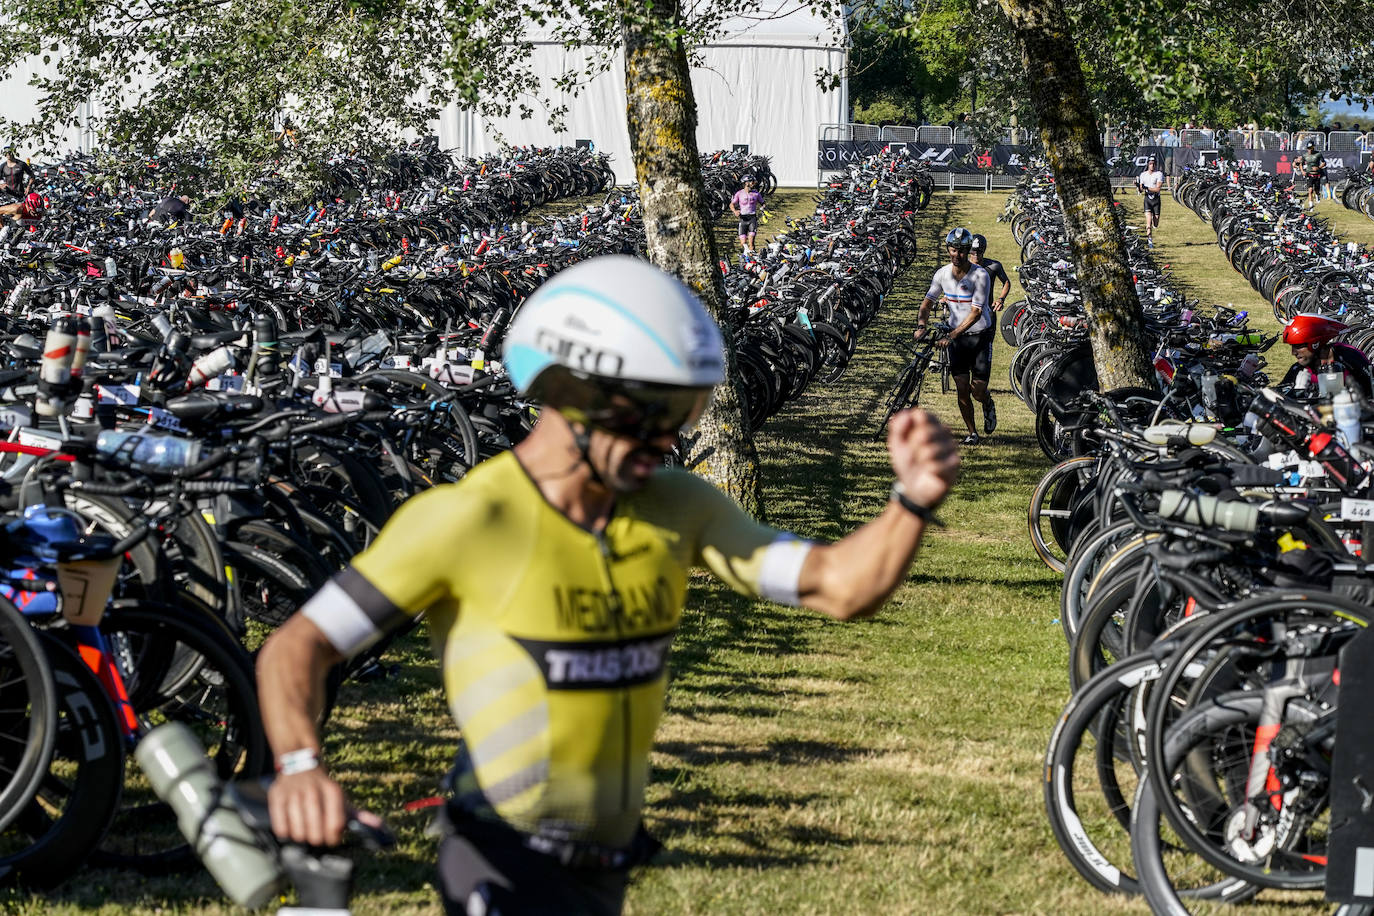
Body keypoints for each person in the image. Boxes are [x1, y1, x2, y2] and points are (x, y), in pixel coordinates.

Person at [256, 255, 961, 916]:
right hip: (498, 854)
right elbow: (299, 646)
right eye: (651, 415)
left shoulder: (679, 506)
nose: (669, 440)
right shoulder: (470, 519)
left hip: (604, 865)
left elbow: (837, 586)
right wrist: (298, 766)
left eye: (682, 415)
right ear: (573, 393)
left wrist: (913, 501)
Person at [913, 227, 997, 445]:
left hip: (979, 336)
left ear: (968, 251)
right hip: (957, 340)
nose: (956, 255)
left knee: (977, 390)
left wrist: (951, 335)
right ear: (948, 250)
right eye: (953, 250)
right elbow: (927, 302)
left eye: (961, 251)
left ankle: (987, 402)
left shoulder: (980, 275)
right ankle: (972, 433)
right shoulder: (942, 274)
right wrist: (921, 325)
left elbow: (976, 313)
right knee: (961, 389)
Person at [1280, 313, 1374, 399]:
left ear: (1315, 343)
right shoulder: (1298, 369)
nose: (1293, 352)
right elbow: (1279, 394)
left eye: (1298, 346)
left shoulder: (1347, 356)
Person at [969, 234, 1010, 312]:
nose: (976, 255)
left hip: (987, 310)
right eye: (973, 251)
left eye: (979, 252)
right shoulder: (962, 266)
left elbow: (1006, 282)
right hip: (967, 311)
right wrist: (946, 297)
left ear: (984, 250)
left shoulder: (994, 266)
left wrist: (1001, 299)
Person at [1135, 154, 1166, 247]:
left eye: (1154, 164)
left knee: (1155, 223)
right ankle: (1150, 241)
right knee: (1148, 221)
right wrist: (1137, 186)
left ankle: (1153, 225)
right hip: (1147, 200)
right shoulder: (1143, 175)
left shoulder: (1159, 174)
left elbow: (1157, 189)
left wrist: (1146, 187)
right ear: (1148, 164)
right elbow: (1141, 190)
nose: (1152, 165)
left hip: (1156, 200)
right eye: (1150, 163)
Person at [729, 175, 764, 254]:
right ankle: (746, 256)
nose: (753, 183)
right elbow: (731, 204)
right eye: (752, 181)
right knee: (743, 243)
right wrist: (735, 211)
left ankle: (753, 257)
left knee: (751, 241)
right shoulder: (739, 193)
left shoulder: (756, 193)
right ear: (746, 183)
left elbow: (763, 202)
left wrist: (763, 208)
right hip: (743, 218)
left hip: (752, 218)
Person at [1300, 140, 1326, 210]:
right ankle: (1311, 206)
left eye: (1311, 148)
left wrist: (1318, 167)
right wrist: (1302, 171)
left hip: (1317, 175)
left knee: (1316, 190)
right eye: (1308, 148)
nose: (1309, 150)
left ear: (1313, 148)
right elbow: (1301, 164)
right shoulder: (1305, 155)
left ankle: (1317, 195)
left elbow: (1324, 163)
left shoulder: (1318, 154)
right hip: (1309, 174)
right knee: (1310, 190)